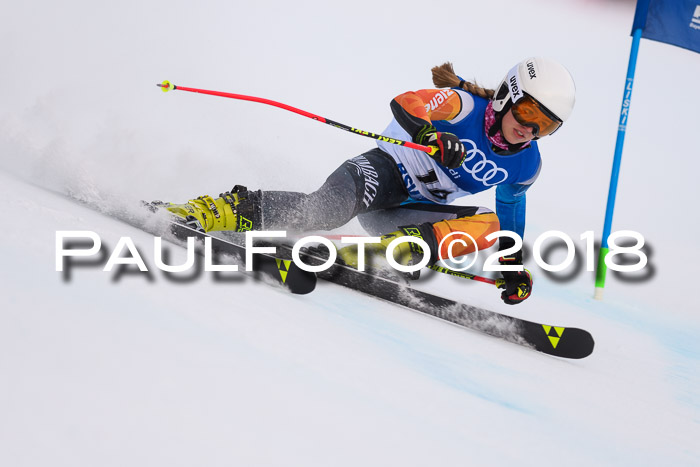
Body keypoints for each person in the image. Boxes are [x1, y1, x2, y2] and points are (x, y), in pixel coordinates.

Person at [156, 57, 576, 305]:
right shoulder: (462, 104)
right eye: (527, 114)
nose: (530, 130)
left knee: (491, 223)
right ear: (506, 96)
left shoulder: (527, 165)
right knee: (323, 212)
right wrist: (430, 133)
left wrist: (511, 263)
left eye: (545, 125)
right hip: (383, 170)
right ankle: (217, 210)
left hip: (413, 215)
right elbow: (407, 102)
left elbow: (510, 208)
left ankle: (391, 253)